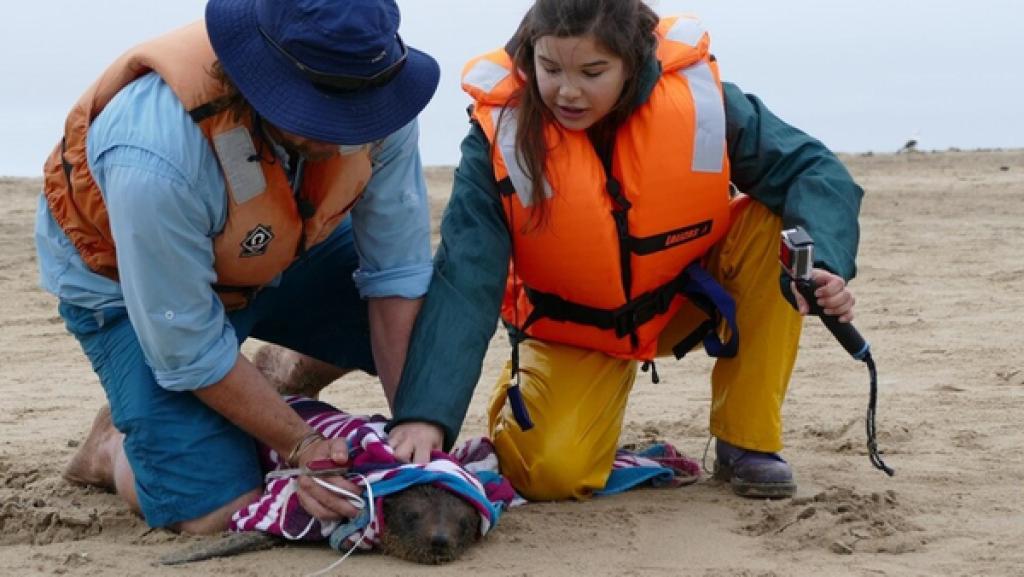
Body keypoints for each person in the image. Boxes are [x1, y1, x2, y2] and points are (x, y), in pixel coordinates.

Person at [387, 0, 863, 501]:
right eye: (550, 69)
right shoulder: (498, 138)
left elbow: (813, 170)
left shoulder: (702, 102)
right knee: (551, 476)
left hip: (683, 298)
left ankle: (746, 444)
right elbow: (466, 276)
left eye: (592, 72)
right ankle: (530, 399)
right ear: (530, 59)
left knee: (773, 224)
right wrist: (426, 416)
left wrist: (825, 263)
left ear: (632, 64)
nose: (567, 91)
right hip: (575, 327)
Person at [35, 0, 439, 533]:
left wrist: (415, 423)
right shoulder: (155, 152)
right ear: (257, 77)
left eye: (355, 112)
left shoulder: (377, 95)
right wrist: (303, 443)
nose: (343, 132)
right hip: (133, 294)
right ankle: (113, 445)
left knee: (434, 327)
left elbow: (395, 275)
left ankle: (277, 374)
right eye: (318, 112)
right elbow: (189, 348)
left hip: (280, 248)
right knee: (210, 508)